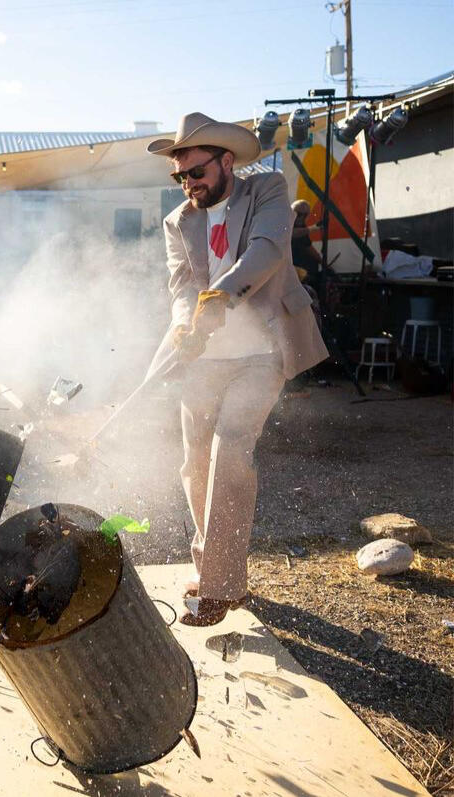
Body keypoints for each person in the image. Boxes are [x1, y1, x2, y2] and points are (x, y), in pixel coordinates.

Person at [145, 112, 328, 626]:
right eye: (180, 176)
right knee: (195, 463)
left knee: (230, 449)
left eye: (196, 172)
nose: (189, 184)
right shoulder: (178, 220)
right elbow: (180, 285)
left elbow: (266, 251)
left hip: (261, 352)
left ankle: (220, 589)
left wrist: (219, 297)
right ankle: (216, 570)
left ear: (226, 161)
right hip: (204, 358)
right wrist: (187, 322)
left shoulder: (267, 190)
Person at [289, 200, 324, 288]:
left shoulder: (302, 226)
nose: (302, 218)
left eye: (305, 215)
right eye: (299, 214)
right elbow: (291, 233)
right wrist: (313, 228)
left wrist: (322, 262)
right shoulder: (285, 222)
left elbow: (308, 246)